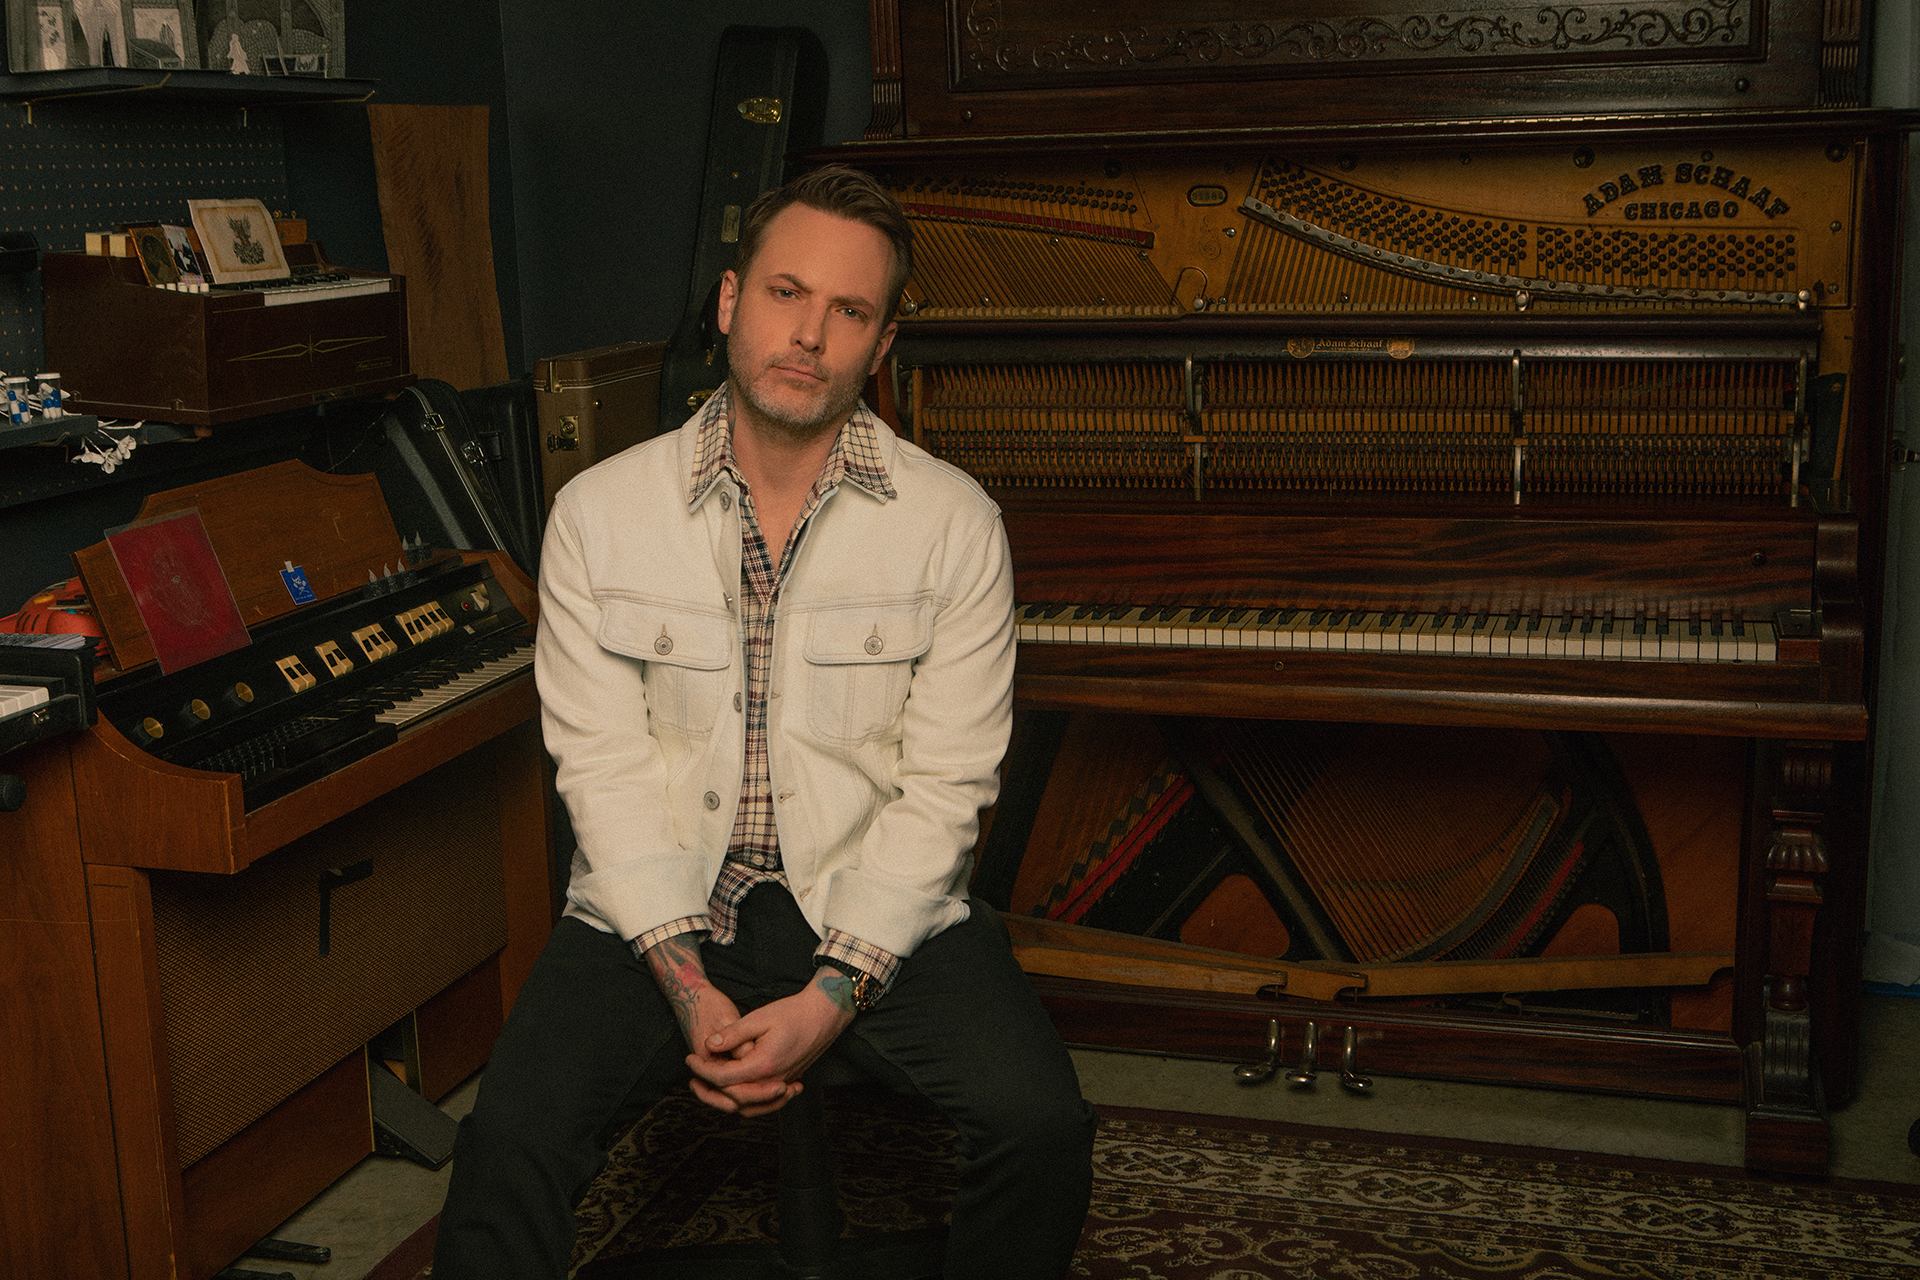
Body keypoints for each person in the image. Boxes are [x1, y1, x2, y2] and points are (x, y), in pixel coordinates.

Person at [431, 164, 1096, 1278]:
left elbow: (947, 788)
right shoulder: (598, 515)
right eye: (788, 293)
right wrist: (687, 985)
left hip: (875, 896)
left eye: (849, 311)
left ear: (881, 346)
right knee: (508, 1142)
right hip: (663, 903)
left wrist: (832, 994)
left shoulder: (954, 524)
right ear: (731, 301)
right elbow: (599, 765)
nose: (811, 334)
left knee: (1044, 1128)